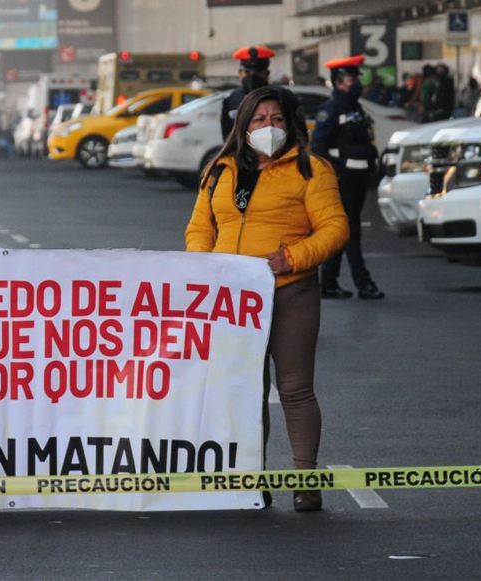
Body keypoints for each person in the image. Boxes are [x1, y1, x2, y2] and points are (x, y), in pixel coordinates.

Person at [186, 86, 349, 512]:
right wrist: (201, 267)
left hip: (290, 290)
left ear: (291, 124)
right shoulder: (219, 171)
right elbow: (201, 227)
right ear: (243, 125)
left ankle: (305, 480)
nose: (268, 128)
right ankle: (250, 481)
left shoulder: (312, 170)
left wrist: (292, 258)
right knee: (244, 392)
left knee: (294, 389)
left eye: (277, 120)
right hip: (233, 299)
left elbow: (335, 229)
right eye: (259, 120)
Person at [311, 55, 385, 300]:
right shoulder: (330, 109)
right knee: (350, 229)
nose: (355, 84)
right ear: (338, 82)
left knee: (345, 229)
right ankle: (362, 282)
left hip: (358, 178)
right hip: (343, 180)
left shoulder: (356, 109)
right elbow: (318, 145)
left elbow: (363, 140)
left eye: (355, 78)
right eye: (350, 79)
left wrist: (373, 158)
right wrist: (336, 172)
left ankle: (329, 282)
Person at [221, 46, 274, 141]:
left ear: (267, 74)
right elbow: (227, 133)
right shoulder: (231, 100)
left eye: (258, 72)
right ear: (240, 73)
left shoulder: (280, 98)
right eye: (248, 72)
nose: (253, 76)